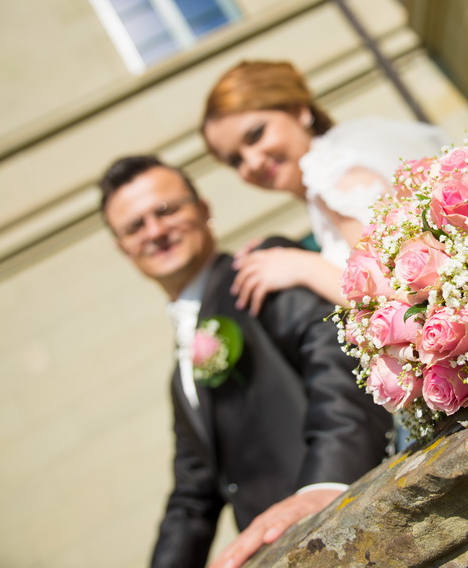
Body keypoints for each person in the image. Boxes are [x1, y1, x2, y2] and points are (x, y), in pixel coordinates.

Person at [98, 155, 392, 568]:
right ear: (123, 247)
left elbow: (336, 363)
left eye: (166, 210)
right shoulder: (179, 375)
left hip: (350, 525)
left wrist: (324, 484)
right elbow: (192, 496)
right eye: (135, 226)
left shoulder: (262, 270)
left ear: (203, 210)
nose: (156, 230)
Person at [200, 59, 450, 313]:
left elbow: (397, 298)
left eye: (256, 134)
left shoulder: (334, 178)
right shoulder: (325, 185)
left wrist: (304, 267)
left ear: (299, 111)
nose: (252, 162)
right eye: (235, 160)